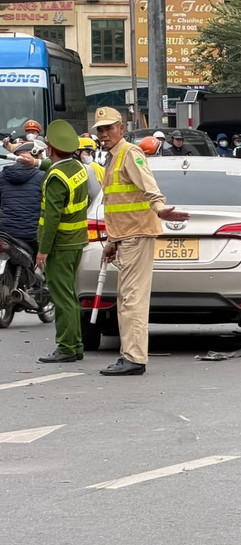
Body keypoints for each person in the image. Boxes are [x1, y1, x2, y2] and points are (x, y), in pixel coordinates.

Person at [90, 105, 189, 376]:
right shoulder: (114, 158)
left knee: (132, 299)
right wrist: (111, 241)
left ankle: (134, 358)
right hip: (126, 237)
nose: (104, 133)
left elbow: (149, 186)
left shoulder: (129, 153)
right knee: (127, 298)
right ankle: (130, 356)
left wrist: (159, 207)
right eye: (100, 129)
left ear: (122, 128)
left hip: (136, 235)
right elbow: (118, 205)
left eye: (109, 128)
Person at [33, 120, 87, 363]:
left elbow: (52, 216)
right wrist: (35, 162)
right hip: (76, 241)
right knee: (70, 294)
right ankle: (75, 345)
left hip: (60, 244)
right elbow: (54, 165)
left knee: (61, 296)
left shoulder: (55, 178)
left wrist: (43, 250)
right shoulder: (77, 167)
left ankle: (66, 347)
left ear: (50, 146)